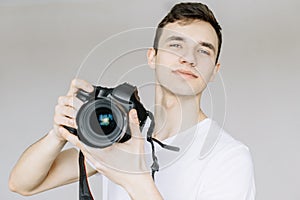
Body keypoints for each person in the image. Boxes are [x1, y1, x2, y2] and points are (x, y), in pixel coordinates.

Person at [9, 2, 256, 199]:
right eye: (176, 44)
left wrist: (135, 179)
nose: (189, 58)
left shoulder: (228, 158)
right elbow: (22, 184)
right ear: (152, 57)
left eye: (203, 50)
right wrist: (58, 134)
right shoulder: (120, 135)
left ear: (214, 70)